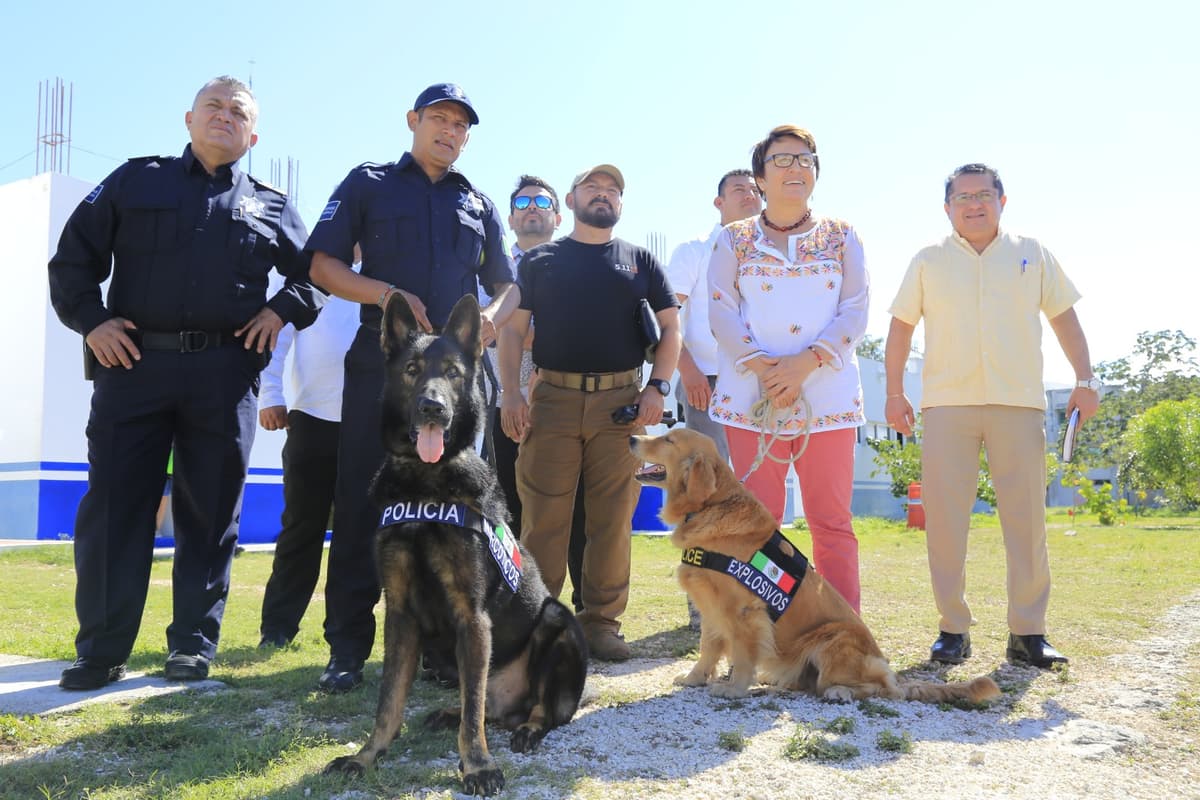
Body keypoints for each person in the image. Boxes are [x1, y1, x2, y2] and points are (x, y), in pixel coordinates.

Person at [48, 76, 322, 690]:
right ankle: (100, 651)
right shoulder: (133, 180)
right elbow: (71, 262)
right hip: (132, 367)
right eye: (213, 107)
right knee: (117, 509)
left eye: (238, 112)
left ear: (254, 134)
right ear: (189, 118)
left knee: (209, 512)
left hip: (224, 376)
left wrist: (280, 312)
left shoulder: (273, 206)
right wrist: (91, 323)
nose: (225, 117)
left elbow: (315, 276)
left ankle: (191, 649)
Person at [305, 83, 518, 693]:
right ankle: (346, 648)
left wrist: (495, 311)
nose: (449, 132)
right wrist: (387, 296)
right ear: (413, 121)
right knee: (361, 502)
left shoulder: (476, 201)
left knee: (458, 510)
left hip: (456, 380)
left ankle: (442, 650)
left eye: (461, 126)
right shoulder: (368, 183)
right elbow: (322, 265)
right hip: (386, 369)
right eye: (439, 119)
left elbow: (506, 284)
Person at [884, 163, 1100, 669]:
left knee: (1026, 522)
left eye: (984, 194)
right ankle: (952, 629)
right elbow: (899, 329)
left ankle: (1028, 633)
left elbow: (1064, 317)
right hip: (946, 406)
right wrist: (895, 394)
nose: (974, 204)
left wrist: (1085, 380)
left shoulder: (1032, 254)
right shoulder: (928, 260)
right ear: (947, 208)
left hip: (1018, 403)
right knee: (944, 522)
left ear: (1003, 201)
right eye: (963, 197)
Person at [500, 164, 681, 661]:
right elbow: (512, 330)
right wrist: (510, 394)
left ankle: (602, 623)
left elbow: (670, 330)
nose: (603, 196)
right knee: (543, 520)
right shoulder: (541, 262)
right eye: (592, 188)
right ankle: (536, 625)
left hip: (621, 405)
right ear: (572, 200)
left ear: (620, 205)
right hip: (552, 400)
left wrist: (658, 388)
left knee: (611, 519)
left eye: (612, 190)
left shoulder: (640, 260)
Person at [707, 125, 870, 614]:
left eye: (805, 159)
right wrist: (763, 368)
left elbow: (856, 308)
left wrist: (805, 364)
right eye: (781, 160)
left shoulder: (842, 236)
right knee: (757, 521)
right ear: (759, 176)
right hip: (751, 397)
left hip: (829, 395)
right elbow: (720, 309)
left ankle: (844, 631)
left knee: (831, 520)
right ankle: (760, 630)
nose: (795, 167)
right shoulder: (733, 239)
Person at [665, 168, 762, 629]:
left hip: (759, 383)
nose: (749, 196)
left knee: (753, 491)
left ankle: (752, 593)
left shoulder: (768, 251)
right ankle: (702, 601)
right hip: (705, 378)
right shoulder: (694, 252)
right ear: (718, 202)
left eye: (754, 190)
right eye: (739, 190)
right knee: (706, 491)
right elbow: (665, 316)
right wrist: (685, 369)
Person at [488, 176, 589, 612]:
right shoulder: (491, 272)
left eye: (541, 202)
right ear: (511, 218)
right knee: (510, 511)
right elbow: (483, 329)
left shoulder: (576, 263)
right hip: (506, 406)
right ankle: (517, 609)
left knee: (578, 512)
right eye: (522, 203)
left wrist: (527, 331)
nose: (532, 208)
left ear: (557, 215)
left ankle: (588, 612)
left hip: (569, 404)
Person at [256, 248, 361, 648]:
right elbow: (277, 339)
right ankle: (277, 629)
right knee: (301, 528)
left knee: (356, 535)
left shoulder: (383, 282)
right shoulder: (308, 279)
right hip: (310, 420)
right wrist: (270, 395)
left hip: (367, 427)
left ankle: (345, 634)